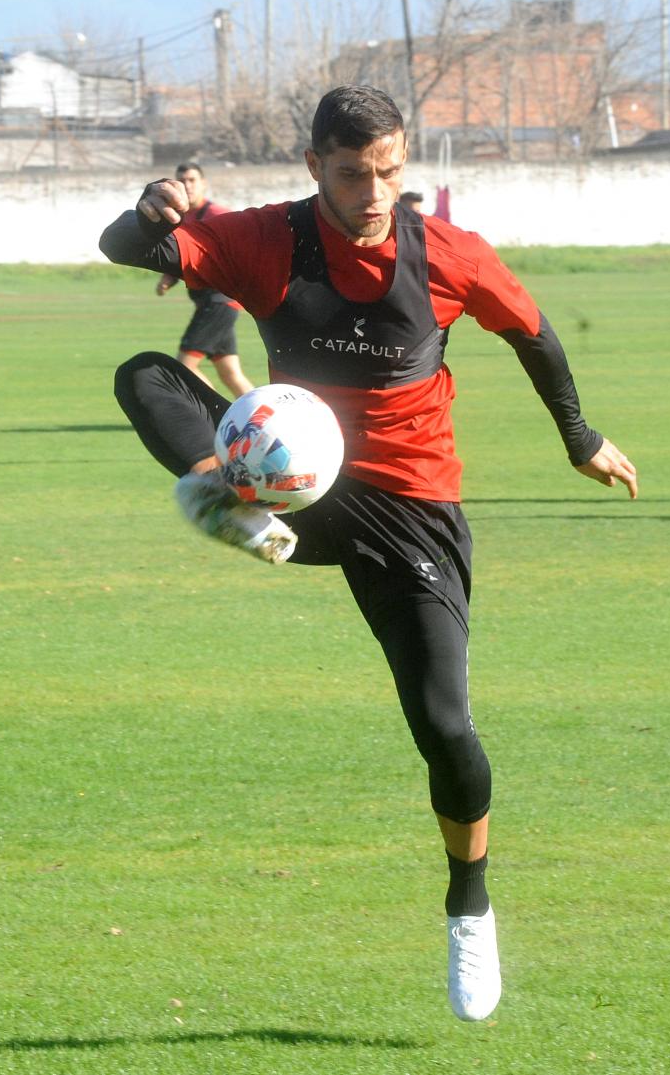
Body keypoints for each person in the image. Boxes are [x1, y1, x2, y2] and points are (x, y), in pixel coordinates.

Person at [99, 85, 638, 1023]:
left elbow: (534, 335)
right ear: (316, 169)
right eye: (354, 173)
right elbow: (127, 248)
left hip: (408, 509)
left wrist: (579, 436)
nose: (376, 190)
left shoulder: (448, 256)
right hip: (297, 496)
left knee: (444, 726)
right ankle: (217, 494)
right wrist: (150, 204)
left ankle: (469, 901)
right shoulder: (267, 239)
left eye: (390, 169)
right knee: (143, 372)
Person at [155, 162, 254, 396]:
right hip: (212, 303)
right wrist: (169, 278)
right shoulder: (180, 217)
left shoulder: (218, 215)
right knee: (230, 372)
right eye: (182, 181)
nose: (187, 185)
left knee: (183, 367)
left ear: (203, 184)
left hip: (218, 301)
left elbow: (246, 248)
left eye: (192, 180)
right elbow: (185, 255)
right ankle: (265, 418)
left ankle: (217, 414)